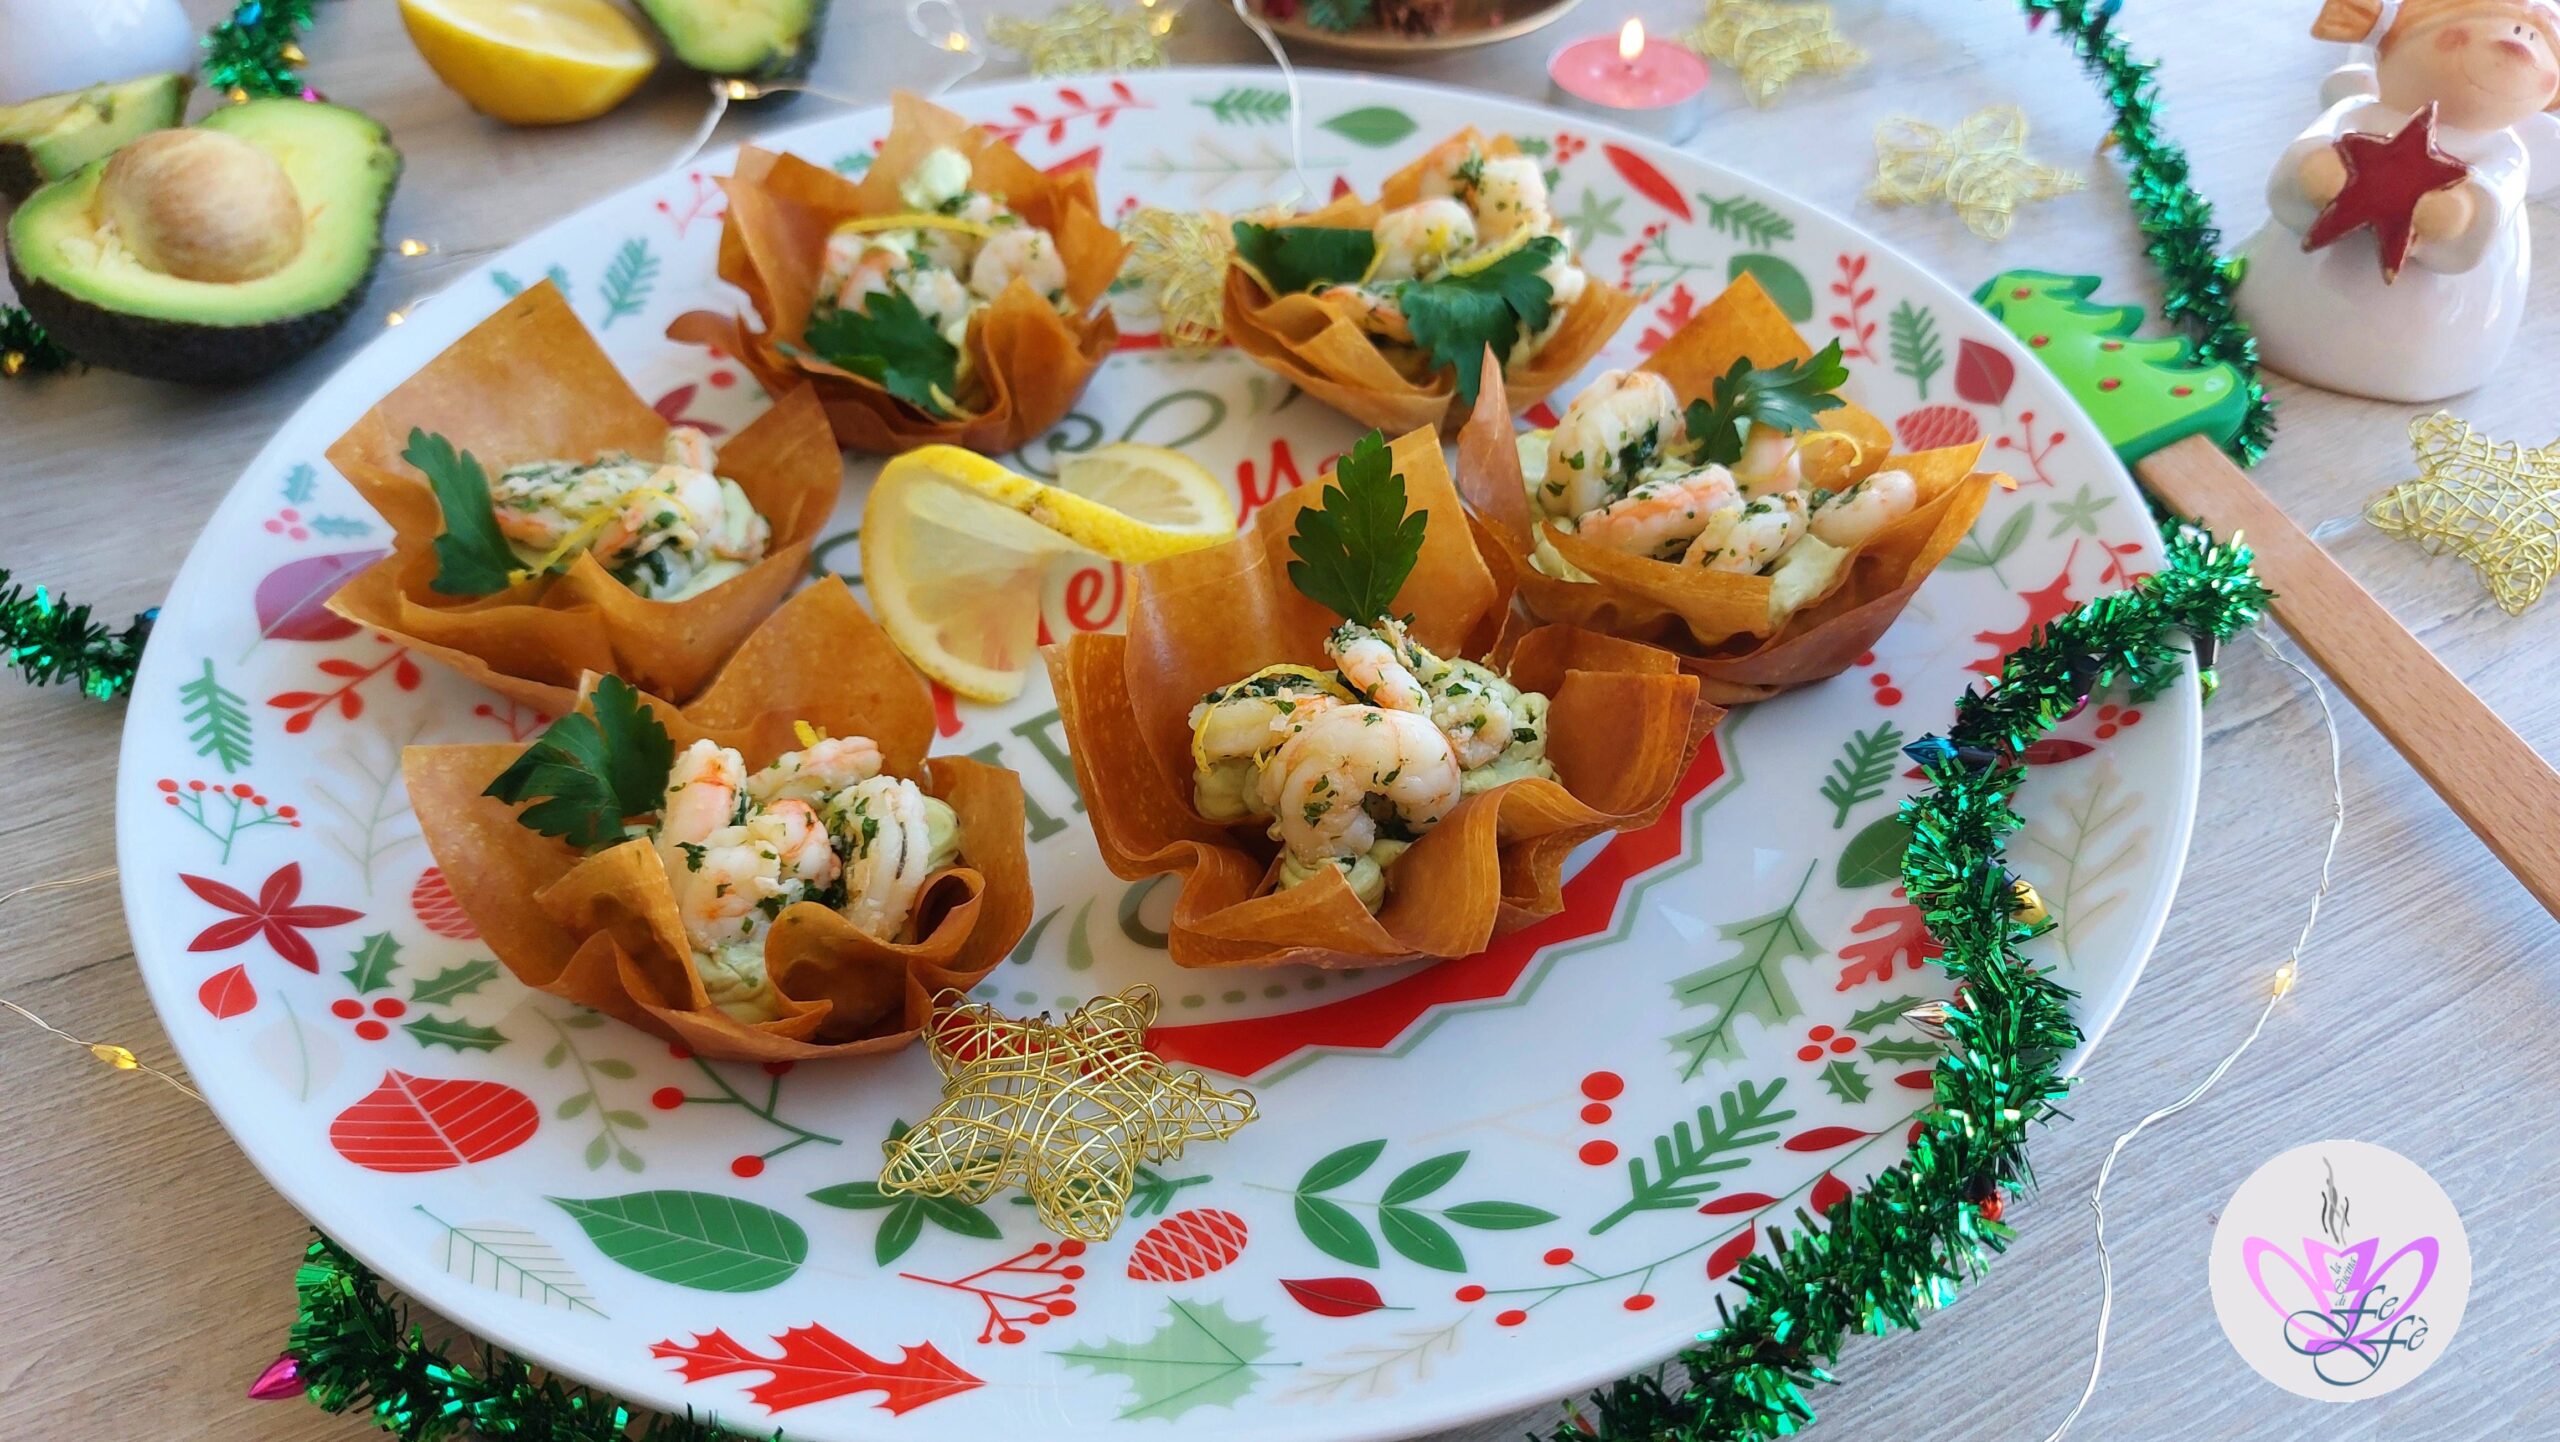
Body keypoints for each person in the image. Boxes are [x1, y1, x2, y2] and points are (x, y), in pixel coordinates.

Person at [2236, 0, 2559, 401]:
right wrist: (2319, 172)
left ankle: (2428, 367)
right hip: (2299, 292)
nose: (2519, 42)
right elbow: (2308, 159)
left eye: (2538, 38)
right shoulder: (2359, 113)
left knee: (2423, 351)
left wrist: (2463, 212)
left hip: (2434, 334)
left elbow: (2492, 198)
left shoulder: (2504, 154)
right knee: (2279, 312)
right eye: (2480, 23)